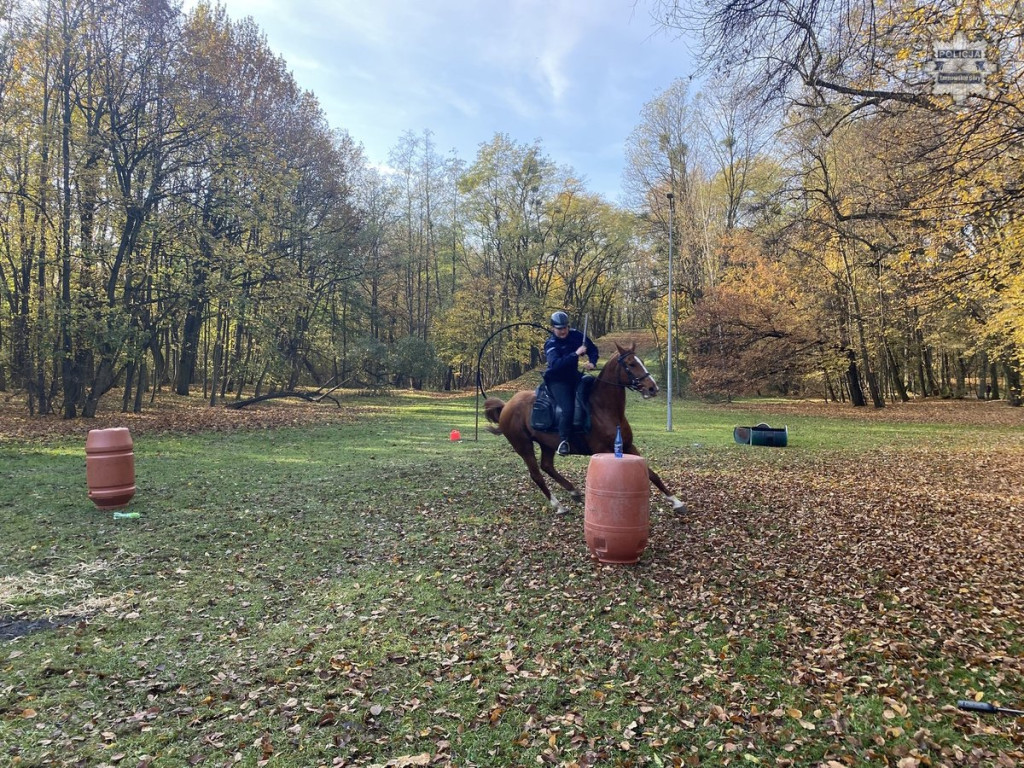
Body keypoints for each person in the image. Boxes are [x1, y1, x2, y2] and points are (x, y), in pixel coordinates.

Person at [543, 310, 598, 456]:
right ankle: (564, 441)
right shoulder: (551, 344)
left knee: (595, 390)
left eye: (565, 327)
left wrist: (592, 362)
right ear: (553, 328)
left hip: (573, 376)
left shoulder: (577, 335)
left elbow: (593, 349)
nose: (563, 331)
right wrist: (575, 354)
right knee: (568, 408)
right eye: (559, 328)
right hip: (557, 380)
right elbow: (555, 364)